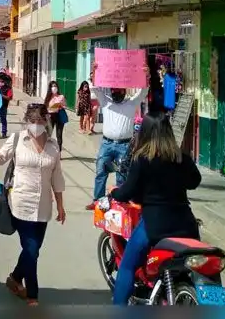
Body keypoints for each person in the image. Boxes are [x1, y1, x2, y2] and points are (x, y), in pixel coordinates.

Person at [108, 112, 202, 305]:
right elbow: (195, 181)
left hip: (155, 227)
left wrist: (114, 192)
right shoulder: (181, 157)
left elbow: (128, 191)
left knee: (126, 266)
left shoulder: (142, 159)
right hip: (187, 226)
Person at [0, 103, 66, 306]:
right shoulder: (17, 140)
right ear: (26, 122)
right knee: (31, 249)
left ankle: (15, 278)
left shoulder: (53, 146)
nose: (36, 125)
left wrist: (60, 205)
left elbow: (57, 178)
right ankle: (32, 295)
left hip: (43, 207)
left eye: (40, 121)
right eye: (32, 121)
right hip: (21, 204)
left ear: (46, 121)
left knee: (33, 250)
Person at [84, 61, 149, 211]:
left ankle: (120, 201)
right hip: (106, 144)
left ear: (124, 91)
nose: (116, 93)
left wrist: (146, 75)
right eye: (114, 90)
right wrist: (94, 71)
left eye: (119, 90)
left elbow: (143, 91)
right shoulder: (106, 102)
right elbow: (94, 87)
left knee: (122, 175)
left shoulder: (132, 103)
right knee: (101, 172)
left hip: (124, 145)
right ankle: (97, 201)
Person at [44, 81, 67, 149]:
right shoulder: (48, 97)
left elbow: (65, 105)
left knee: (59, 135)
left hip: (59, 116)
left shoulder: (61, 96)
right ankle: (46, 149)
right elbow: (45, 108)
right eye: (53, 86)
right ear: (50, 88)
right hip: (51, 117)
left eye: (55, 86)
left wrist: (61, 106)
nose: (54, 88)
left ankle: (59, 152)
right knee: (48, 134)